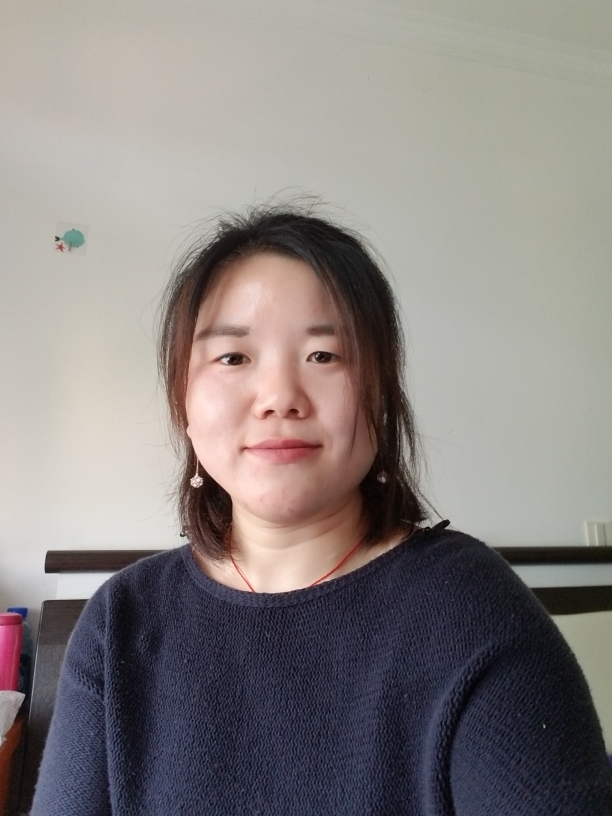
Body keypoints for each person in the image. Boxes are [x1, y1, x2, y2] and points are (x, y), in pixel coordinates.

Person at [32, 204, 612, 815]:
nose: (280, 397)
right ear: (183, 404)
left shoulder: (471, 607)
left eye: (325, 355)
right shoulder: (120, 624)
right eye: (233, 357)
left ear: (382, 392)